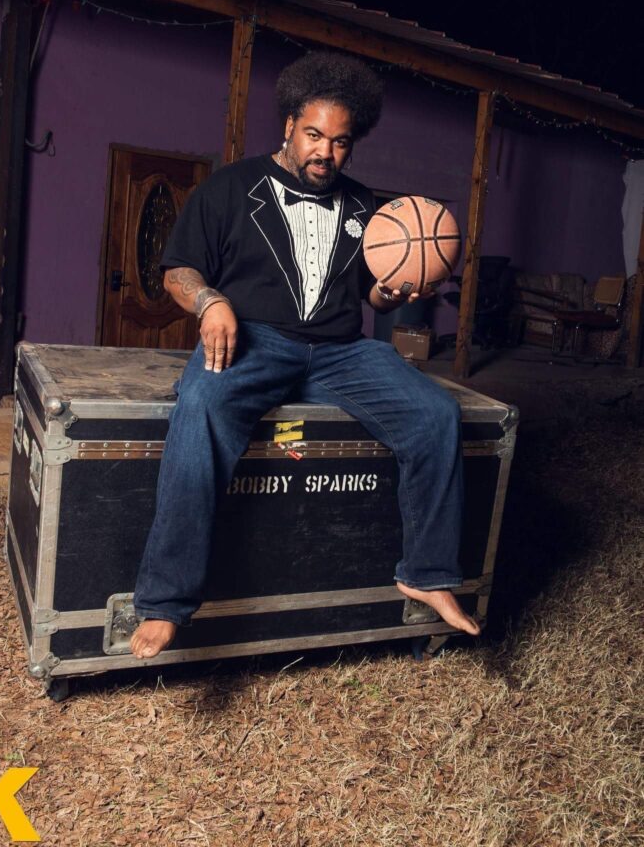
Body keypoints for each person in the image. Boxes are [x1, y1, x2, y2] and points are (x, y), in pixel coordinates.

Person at [130, 52, 480, 659]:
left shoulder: (369, 208)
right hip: (255, 341)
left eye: (341, 142)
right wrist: (211, 302)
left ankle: (426, 574)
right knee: (202, 404)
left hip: (342, 351)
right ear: (290, 125)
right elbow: (177, 270)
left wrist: (395, 289)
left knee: (436, 416)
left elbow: (368, 292)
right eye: (315, 135)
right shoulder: (231, 187)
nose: (326, 152)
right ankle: (166, 601)